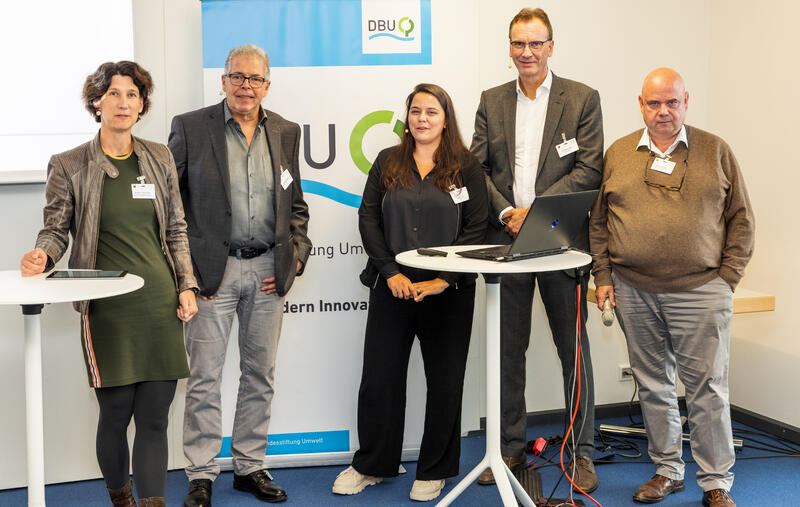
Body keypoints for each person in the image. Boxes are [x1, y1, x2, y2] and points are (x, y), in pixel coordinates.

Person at [19, 61, 198, 507]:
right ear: (97, 102)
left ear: (142, 104)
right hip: (107, 308)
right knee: (116, 415)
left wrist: (186, 284)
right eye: (114, 94)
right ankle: (122, 501)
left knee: (155, 419)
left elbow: (176, 228)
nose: (123, 102)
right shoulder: (70, 164)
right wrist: (43, 255)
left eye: (132, 94)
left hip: (159, 303)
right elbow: (55, 229)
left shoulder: (159, 157)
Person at [589, 68, 754, 507]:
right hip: (633, 289)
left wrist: (728, 278)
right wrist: (603, 276)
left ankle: (715, 481)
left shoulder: (715, 150)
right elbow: (598, 222)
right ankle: (668, 471)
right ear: (640, 104)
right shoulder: (619, 153)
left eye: (672, 102)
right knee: (653, 385)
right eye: (654, 103)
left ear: (686, 102)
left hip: (701, 289)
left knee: (707, 388)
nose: (663, 111)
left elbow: (741, 218)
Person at [168, 44, 311, 506]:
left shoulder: (286, 131)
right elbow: (171, 207)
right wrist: (189, 274)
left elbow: (296, 206)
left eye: (255, 79)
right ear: (223, 81)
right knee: (204, 378)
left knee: (260, 375)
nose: (246, 86)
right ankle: (201, 473)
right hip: (212, 273)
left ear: (267, 85)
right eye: (237, 77)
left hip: (268, 269)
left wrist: (295, 258)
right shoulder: (190, 127)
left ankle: (250, 466)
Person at [331, 83, 488, 502]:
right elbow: (368, 218)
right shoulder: (388, 161)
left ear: (446, 119)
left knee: (445, 383)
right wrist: (390, 272)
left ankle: (435, 470)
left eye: (432, 112)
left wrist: (444, 280)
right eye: (416, 111)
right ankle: (372, 465)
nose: (422, 119)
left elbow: (477, 227)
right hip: (393, 288)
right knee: (379, 380)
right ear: (407, 117)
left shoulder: (467, 167)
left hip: (448, 291)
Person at [469, 7, 603, 492]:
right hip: (506, 243)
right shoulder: (491, 100)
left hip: (561, 243)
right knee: (508, 352)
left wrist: (536, 213)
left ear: (551, 46)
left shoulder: (582, 98)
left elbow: (589, 168)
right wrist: (509, 212)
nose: (526, 52)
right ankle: (508, 451)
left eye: (535, 43)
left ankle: (581, 451)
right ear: (509, 48)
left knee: (574, 351)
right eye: (518, 43)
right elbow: (477, 169)